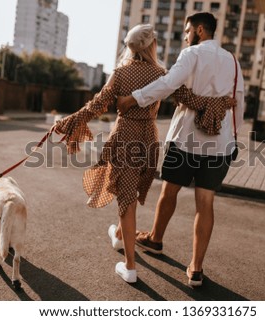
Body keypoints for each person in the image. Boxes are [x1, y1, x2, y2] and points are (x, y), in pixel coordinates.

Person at [53, 24, 235, 283]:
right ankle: (119, 236)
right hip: (149, 140)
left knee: (125, 199)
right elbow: (192, 100)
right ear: (152, 46)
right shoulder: (162, 74)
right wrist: (223, 102)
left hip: (126, 136)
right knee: (130, 192)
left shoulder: (120, 74)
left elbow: (96, 105)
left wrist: (68, 121)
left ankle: (129, 267)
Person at [117, 12, 245, 287]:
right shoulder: (233, 62)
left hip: (186, 138)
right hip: (220, 144)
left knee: (169, 191)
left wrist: (134, 98)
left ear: (200, 30)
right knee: (206, 202)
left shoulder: (191, 55)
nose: (185, 36)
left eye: (187, 31)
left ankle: (155, 239)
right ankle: (196, 269)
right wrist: (234, 139)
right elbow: (239, 103)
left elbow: (167, 84)